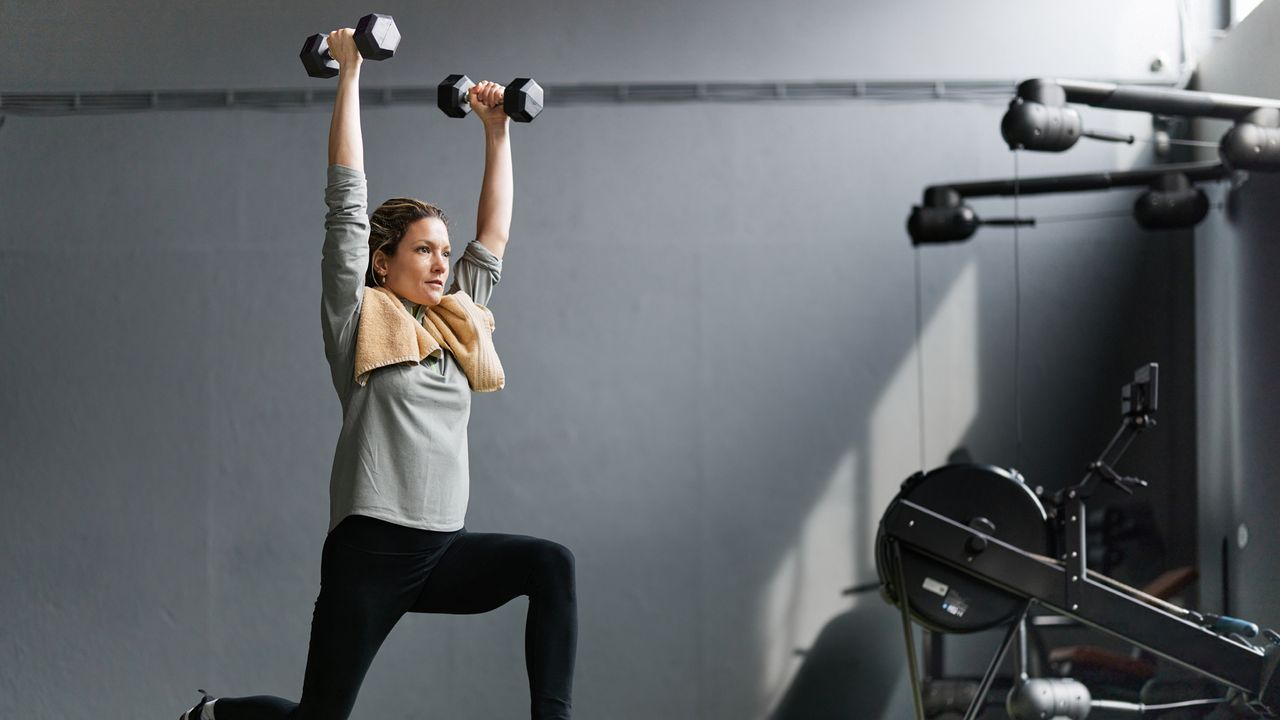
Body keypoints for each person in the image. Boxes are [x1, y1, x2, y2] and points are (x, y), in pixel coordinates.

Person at [181, 26, 577, 720]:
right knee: (318, 718)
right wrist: (350, 74)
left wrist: (497, 132)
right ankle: (215, 714)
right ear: (381, 261)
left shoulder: (461, 321)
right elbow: (346, 203)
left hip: (442, 547)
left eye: (442, 251)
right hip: (369, 555)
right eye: (422, 250)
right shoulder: (356, 317)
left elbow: (495, 237)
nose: (438, 263)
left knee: (550, 564)